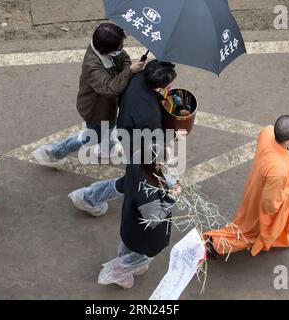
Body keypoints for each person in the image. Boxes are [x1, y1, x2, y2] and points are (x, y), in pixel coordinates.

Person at [68, 60, 178, 216]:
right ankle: (88, 197)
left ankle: (89, 196)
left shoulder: (137, 76)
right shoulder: (149, 115)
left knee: (139, 178)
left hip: (126, 127)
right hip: (138, 145)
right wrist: (173, 135)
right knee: (135, 179)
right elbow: (154, 141)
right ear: (159, 87)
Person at [32, 23, 145, 167]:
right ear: (106, 48)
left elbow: (123, 58)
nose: (122, 49)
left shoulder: (105, 49)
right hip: (96, 110)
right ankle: (53, 153)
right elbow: (109, 89)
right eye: (119, 47)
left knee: (110, 126)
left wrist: (128, 68)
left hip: (108, 106)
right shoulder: (93, 65)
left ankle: (107, 148)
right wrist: (129, 71)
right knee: (92, 136)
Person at [203, 115, 289, 257]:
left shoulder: (267, 132)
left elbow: (272, 152)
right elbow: (270, 205)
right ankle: (214, 245)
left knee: (245, 224)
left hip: (255, 186)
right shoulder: (279, 171)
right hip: (260, 201)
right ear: (288, 141)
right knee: (250, 231)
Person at [98, 146, 181, 288]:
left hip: (131, 224)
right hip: (145, 237)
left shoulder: (136, 163)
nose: (169, 161)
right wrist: (171, 198)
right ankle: (120, 275)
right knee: (136, 256)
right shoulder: (147, 189)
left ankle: (132, 265)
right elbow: (153, 219)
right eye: (165, 159)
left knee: (128, 250)